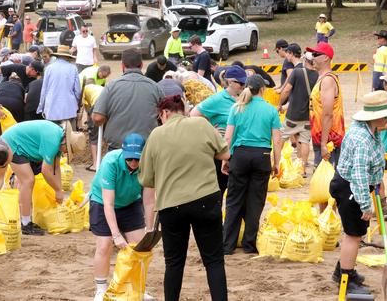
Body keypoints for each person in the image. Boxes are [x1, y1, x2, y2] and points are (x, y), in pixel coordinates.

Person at [139, 95, 230, 301]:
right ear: (183, 110)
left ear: (165, 113)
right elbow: (225, 154)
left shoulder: (156, 134)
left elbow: (146, 178)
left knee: (174, 263)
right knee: (214, 261)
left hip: (171, 205)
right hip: (206, 199)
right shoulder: (200, 124)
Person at [330, 91, 387, 295]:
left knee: (356, 232)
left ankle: (342, 271)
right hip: (350, 187)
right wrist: (365, 205)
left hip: (358, 186)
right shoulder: (362, 139)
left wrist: (376, 184)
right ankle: (346, 277)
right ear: (375, 116)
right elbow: (359, 175)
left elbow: (372, 166)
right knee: (354, 234)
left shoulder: (372, 131)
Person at [90, 133, 154, 301]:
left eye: (137, 159)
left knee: (140, 246)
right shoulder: (111, 162)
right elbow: (108, 204)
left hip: (131, 202)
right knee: (105, 245)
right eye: (130, 159)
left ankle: (137, 288)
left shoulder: (148, 164)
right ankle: (101, 289)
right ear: (124, 154)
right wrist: (116, 234)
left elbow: (148, 201)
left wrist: (150, 227)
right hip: (103, 202)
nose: (133, 163)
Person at [222, 74, 281, 254]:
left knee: (233, 201)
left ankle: (227, 245)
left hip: (239, 155)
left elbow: (228, 137)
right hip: (261, 155)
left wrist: (226, 159)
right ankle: (249, 243)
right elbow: (277, 140)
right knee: (255, 201)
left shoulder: (236, 108)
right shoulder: (271, 110)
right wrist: (276, 163)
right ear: (263, 89)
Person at [2, 120, 86, 235]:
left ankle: (23, 218)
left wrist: (59, 189)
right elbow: (46, 171)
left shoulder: (59, 139)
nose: (66, 153)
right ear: (65, 143)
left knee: (26, 181)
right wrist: (57, 190)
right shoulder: (52, 141)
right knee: (28, 180)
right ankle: (25, 224)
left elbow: (56, 168)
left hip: (22, 146)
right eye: (68, 150)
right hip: (13, 143)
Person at [92, 49, 164, 150]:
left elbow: (97, 118)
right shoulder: (155, 87)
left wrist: (110, 117)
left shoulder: (111, 86)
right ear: (142, 65)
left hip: (118, 149)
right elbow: (166, 115)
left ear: (122, 65)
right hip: (146, 148)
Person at [191, 65, 247, 194]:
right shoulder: (217, 99)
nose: (244, 86)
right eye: (241, 83)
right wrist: (211, 131)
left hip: (240, 150)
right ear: (230, 82)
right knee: (220, 190)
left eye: (245, 83)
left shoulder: (244, 98)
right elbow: (193, 115)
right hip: (222, 151)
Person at [278, 44, 319, 175]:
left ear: (305, 60)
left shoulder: (297, 72)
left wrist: (280, 104)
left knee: (280, 139)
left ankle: (275, 165)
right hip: (307, 116)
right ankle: (302, 170)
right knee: (305, 141)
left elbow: (287, 90)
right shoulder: (317, 75)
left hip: (293, 116)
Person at [307, 42, 345, 167]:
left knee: (327, 183)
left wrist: (323, 144)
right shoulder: (322, 79)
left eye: (315, 54)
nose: (312, 57)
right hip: (321, 137)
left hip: (329, 141)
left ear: (325, 58)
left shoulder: (328, 80)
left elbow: (328, 114)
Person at [37, 45, 81, 124]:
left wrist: (41, 107)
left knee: (52, 134)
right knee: (69, 134)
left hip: (51, 108)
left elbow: (44, 90)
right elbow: (77, 91)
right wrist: (76, 103)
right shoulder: (73, 68)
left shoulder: (49, 68)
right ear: (67, 57)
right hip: (68, 108)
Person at [83, 79, 103, 171]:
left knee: (93, 136)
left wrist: (89, 124)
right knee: (103, 134)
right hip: (111, 106)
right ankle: (103, 162)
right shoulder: (99, 88)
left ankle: (95, 164)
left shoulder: (84, 89)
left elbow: (87, 108)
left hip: (98, 106)